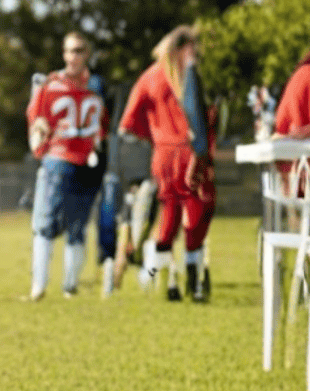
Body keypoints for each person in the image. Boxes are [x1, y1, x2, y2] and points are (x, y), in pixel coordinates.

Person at [119, 25, 216, 302]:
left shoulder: (148, 77)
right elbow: (202, 116)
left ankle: (152, 278)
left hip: (162, 155)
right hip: (190, 152)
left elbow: (128, 123)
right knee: (195, 217)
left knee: (169, 217)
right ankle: (194, 283)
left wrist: (154, 135)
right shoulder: (189, 74)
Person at [26, 33, 106, 300]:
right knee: (46, 223)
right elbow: (36, 119)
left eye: (79, 51)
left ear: (88, 53)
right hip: (59, 159)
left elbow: (103, 126)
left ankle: (69, 286)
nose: (73, 56)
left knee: (77, 227)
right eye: (69, 51)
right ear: (63, 54)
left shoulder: (96, 85)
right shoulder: (51, 84)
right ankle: (39, 285)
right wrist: (40, 139)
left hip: (88, 162)